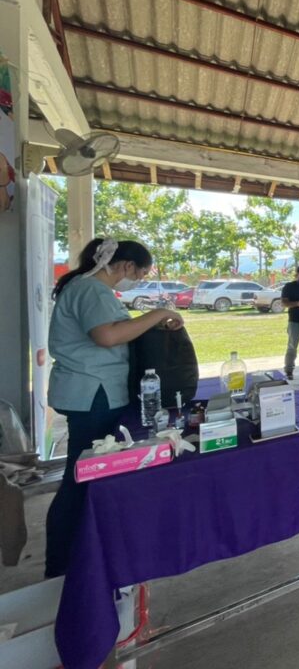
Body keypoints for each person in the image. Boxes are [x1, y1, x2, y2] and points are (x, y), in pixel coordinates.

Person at [46, 238, 185, 577]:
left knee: (88, 476)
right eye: (141, 274)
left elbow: (117, 329)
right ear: (126, 266)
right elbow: (107, 336)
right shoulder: (90, 290)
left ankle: (78, 555)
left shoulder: (91, 289)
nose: (138, 280)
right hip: (92, 392)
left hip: (95, 390)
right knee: (81, 478)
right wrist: (159, 312)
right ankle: (62, 565)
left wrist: (152, 322)